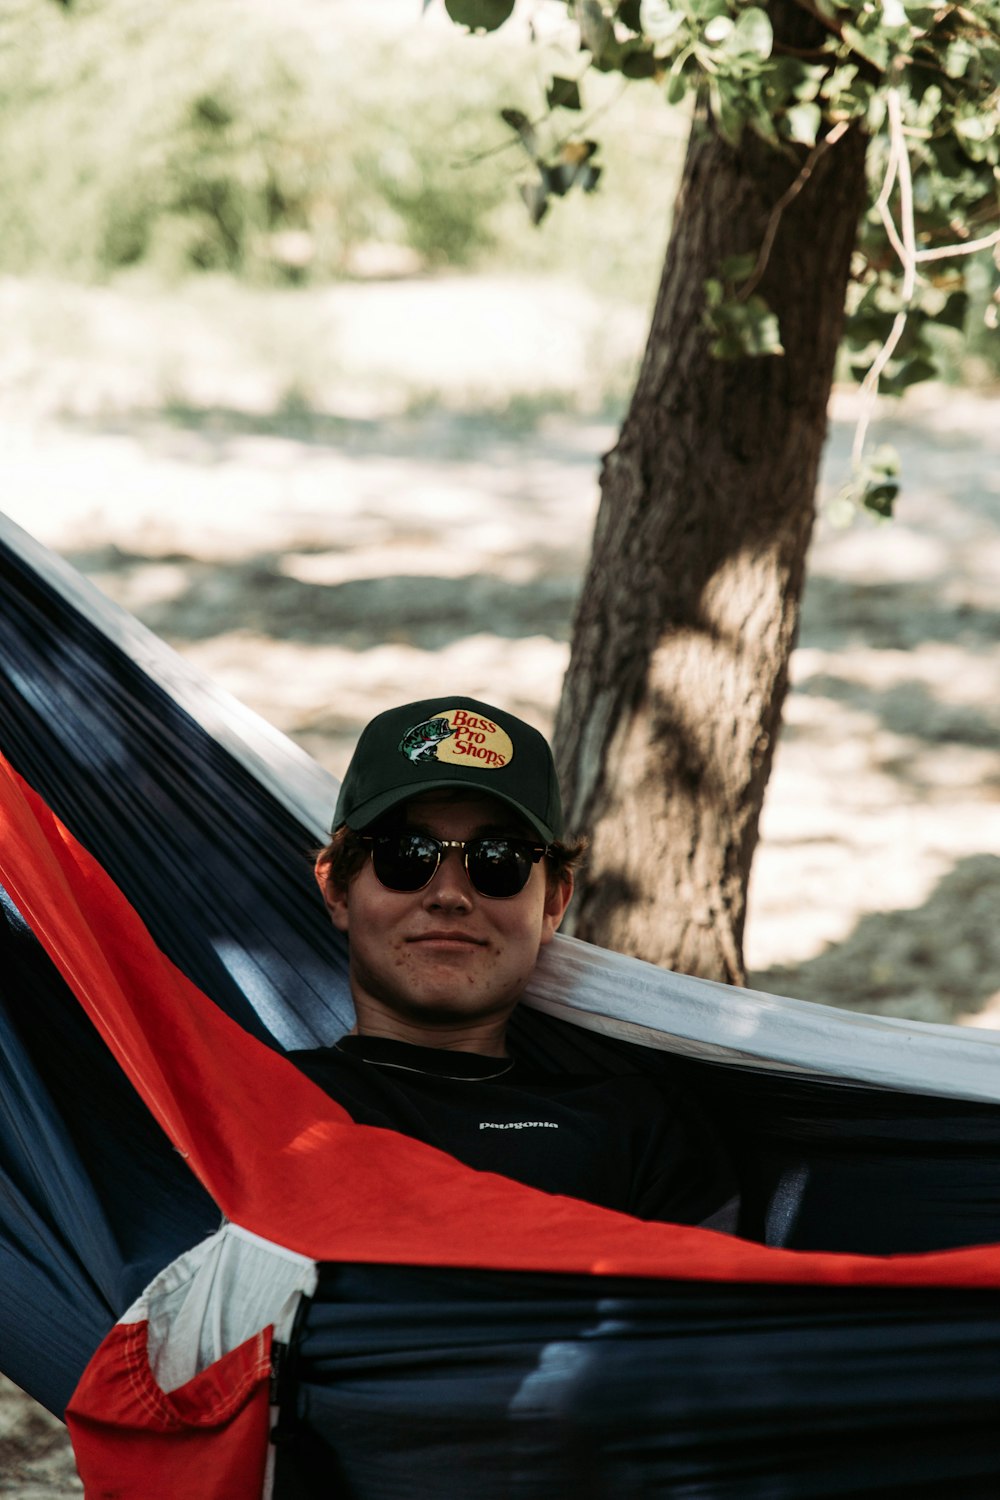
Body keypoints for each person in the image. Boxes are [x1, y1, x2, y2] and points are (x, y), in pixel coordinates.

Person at [289, 696, 737, 1227]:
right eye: (405, 854)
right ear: (338, 888)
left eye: (497, 860)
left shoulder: (641, 1129)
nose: (450, 894)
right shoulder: (255, 1103)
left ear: (553, 904)